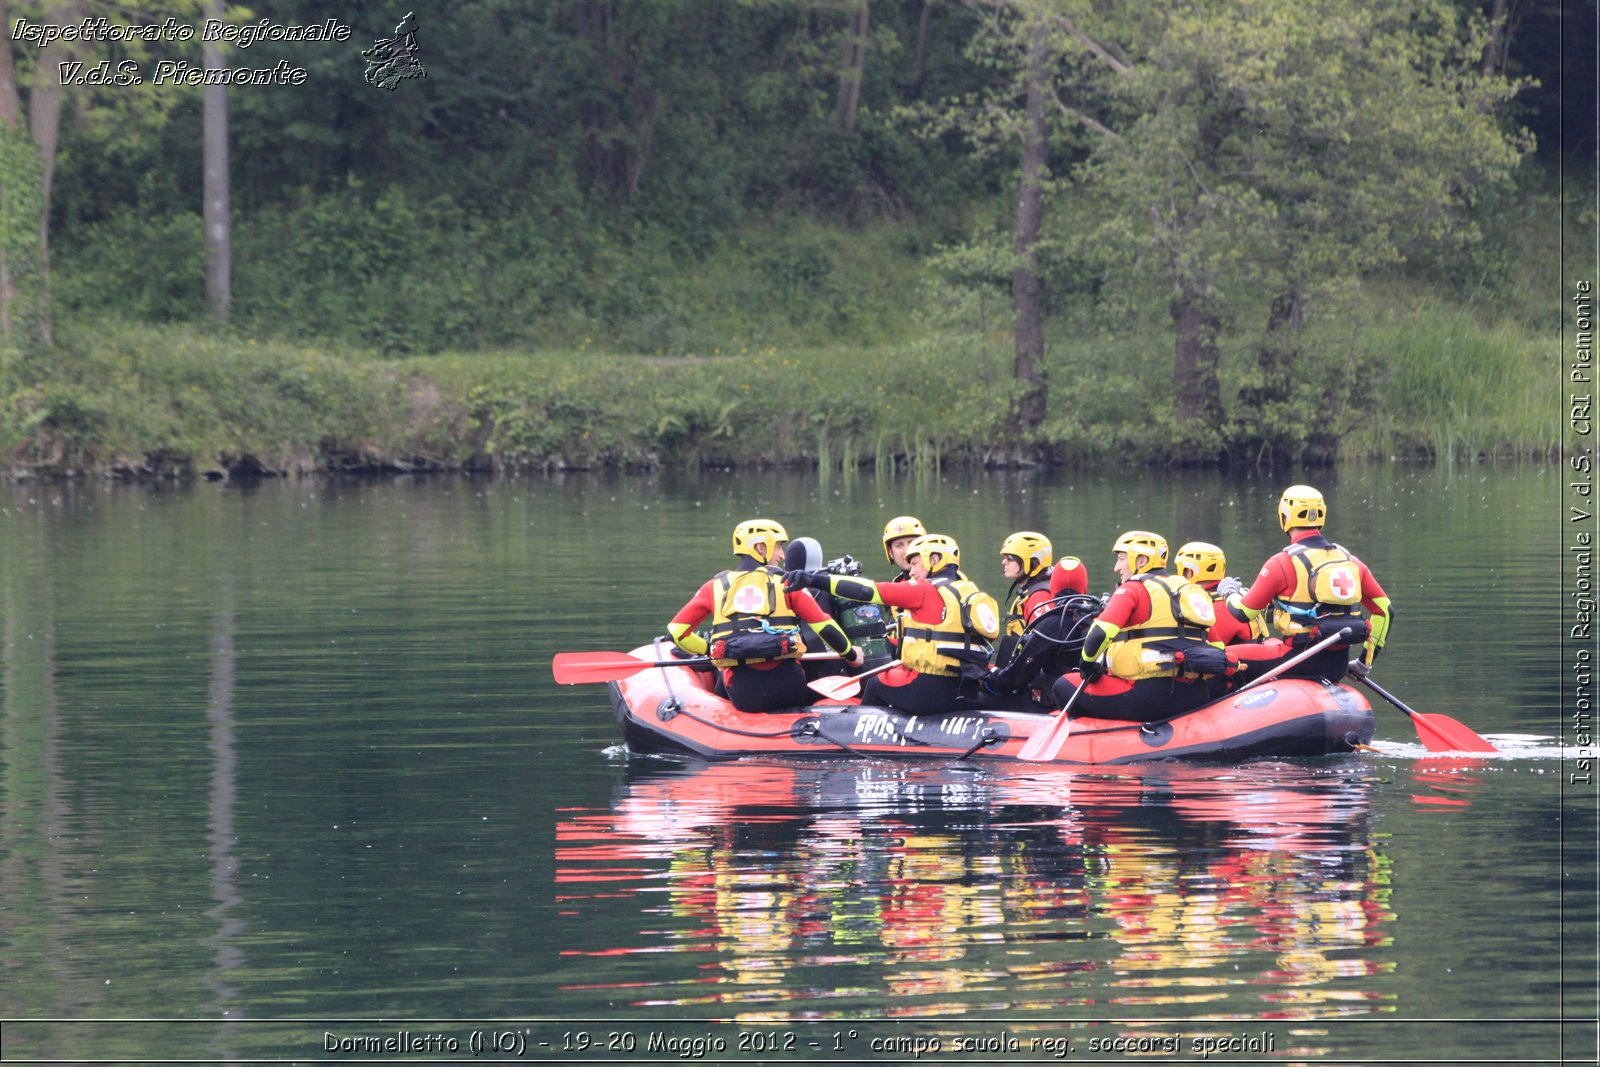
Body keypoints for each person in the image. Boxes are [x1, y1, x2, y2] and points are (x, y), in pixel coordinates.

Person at [787, 533, 1000, 716]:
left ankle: (865, 739)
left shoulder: (922, 590)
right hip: (966, 689)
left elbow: (866, 590)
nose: (912, 571)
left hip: (929, 692)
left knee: (876, 683)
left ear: (934, 559)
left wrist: (813, 581)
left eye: (915, 563)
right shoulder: (971, 591)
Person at [667, 519, 862, 712]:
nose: (781, 555)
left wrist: (710, 650)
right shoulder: (787, 582)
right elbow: (824, 626)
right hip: (790, 689)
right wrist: (852, 655)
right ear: (760, 547)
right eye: (777, 547)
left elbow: (677, 631)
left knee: (723, 676)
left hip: (744, 695)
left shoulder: (714, 587)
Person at [1223, 485, 1392, 684]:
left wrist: (1228, 591)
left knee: (1219, 658)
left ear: (1284, 517)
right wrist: (1363, 664)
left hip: (1295, 661)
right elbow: (1386, 611)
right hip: (1337, 666)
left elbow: (1243, 613)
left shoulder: (1281, 563)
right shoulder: (1352, 562)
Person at [1051, 530, 1221, 722]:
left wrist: (1086, 666)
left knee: (1063, 685)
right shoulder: (1191, 591)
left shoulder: (1132, 588)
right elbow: (1218, 648)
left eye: (1121, 559)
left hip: (1148, 698)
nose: (1117, 567)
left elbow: (1099, 634)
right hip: (1196, 696)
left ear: (1141, 561)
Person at [984, 553, 1099, 710]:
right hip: (1088, 696)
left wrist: (991, 678)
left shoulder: (1051, 625)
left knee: (981, 699)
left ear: (1054, 585)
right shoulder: (1098, 620)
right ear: (1084, 585)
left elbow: (1017, 677)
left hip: (1051, 701)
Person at [784, 537, 892, 673]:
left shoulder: (795, 590)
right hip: (864, 667)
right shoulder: (831, 584)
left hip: (823, 672)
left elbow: (821, 630)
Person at [996, 531, 1054, 667]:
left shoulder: (1039, 596)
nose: (1004, 562)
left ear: (1032, 562)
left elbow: (1043, 644)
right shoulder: (1031, 591)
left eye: (1010, 558)